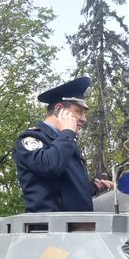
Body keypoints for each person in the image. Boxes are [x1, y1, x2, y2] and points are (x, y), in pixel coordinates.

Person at [13, 77, 113, 214]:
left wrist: (91, 187)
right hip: (49, 230)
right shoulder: (31, 138)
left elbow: (63, 191)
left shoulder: (65, 141)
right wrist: (67, 132)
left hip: (76, 228)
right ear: (59, 109)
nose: (84, 119)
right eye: (78, 111)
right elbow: (50, 166)